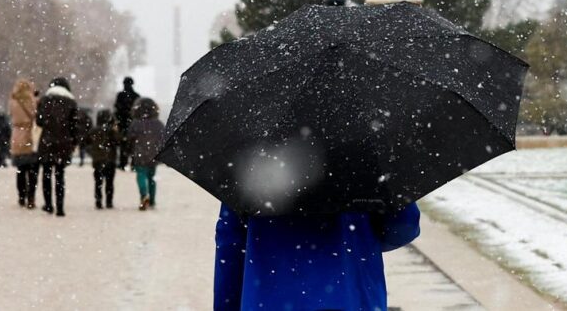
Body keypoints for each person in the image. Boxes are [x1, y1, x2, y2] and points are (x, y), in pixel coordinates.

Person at [214, 202, 421, 310]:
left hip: (270, 300)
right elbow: (404, 226)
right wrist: (362, 241)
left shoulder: (248, 151)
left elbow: (230, 245)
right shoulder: (363, 145)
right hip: (351, 299)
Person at [36, 77, 78, 217]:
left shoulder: (44, 100)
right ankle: (60, 207)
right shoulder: (71, 102)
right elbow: (74, 126)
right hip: (63, 142)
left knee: (46, 174)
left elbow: (39, 122)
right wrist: (74, 142)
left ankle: (48, 205)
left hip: (47, 141)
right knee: (60, 175)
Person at [127, 97, 163, 211]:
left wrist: (129, 151)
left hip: (140, 154)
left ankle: (144, 195)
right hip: (154, 154)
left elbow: (130, 139)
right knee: (152, 178)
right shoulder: (158, 124)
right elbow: (163, 139)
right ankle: (152, 200)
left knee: (141, 175)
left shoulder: (135, 123)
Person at [8, 79, 39, 208]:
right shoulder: (32, 100)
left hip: (16, 136)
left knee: (20, 170)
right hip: (30, 136)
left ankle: (21, 196)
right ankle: (31, 198)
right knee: (33, 171)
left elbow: (11, 114)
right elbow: (35, 115)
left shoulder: (12, 101)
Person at [85, 109, 119, 209]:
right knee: (110, 182)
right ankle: (109, 201)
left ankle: (98, 201)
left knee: (98, 182)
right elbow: (118, 141)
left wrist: (92, 153)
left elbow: (86, 143)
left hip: (98, 160)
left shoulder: (93, 130)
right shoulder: (111, 131)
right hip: (110, 159)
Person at [114, 77, 139, 170]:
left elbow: (116, 109)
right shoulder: (136, 96)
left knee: (123, 144)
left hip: (123, 123)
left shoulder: (120, 95)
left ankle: (123, 163)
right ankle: (133, 164)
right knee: (133, 145)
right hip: (132, 123)